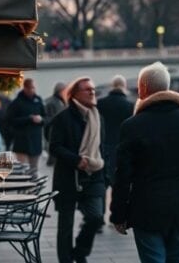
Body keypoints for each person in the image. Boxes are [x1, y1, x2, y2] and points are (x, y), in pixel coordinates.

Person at [110, 63, 179, 263]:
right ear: (168, 87)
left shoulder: (132, 126)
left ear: (142, 89)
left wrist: (118, 214)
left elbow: (123, 175)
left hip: (146, 210)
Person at [50, 77, 106, 263]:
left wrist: (106, 173)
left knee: (96, 217)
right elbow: (54, 147)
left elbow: (102, 147)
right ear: (74, 94)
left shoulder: (98, 117)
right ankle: (65, 259)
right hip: (68, 177)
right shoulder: (62, 118)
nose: (92, 92)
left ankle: (80, 252)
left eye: (93, 89)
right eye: (87, 90)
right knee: (65, 225)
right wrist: (76, 160)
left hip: (94, 175)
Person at [97, 75, 134, 185]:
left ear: (111, 86)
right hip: (122, 147)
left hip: (103, 146)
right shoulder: (130, 106)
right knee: (120, 182)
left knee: (103, 182)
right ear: (124, 86)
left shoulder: (100, 104)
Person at [7, 78, 45, 176]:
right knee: (22, 170)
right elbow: (10, 120)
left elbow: (46, 117)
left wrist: (41, 120)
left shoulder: (38, 100)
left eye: (33, 88)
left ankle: (34, 190)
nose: (32, 90)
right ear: (24, 88)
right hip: (22, 142)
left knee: (34, 170)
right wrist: (29, 119)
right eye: (29, 88)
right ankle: (23, 189)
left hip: (36, 141)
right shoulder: (17, 102)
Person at [44, 81, 67, 166]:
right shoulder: (52, 102)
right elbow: (48, 119)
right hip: (54, 132)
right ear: (60, 91)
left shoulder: (63, 101)